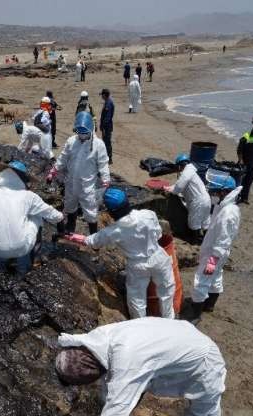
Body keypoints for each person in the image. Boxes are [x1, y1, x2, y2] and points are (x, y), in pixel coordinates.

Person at [51, 317, 227, 416]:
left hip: (202, 357)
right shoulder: (94, 342)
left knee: (205, 411)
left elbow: (115, 413)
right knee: (127, 393)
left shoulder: (126, 360)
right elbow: (111, 390)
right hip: (172, 338)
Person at [65, 189, 176, 319]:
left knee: (137, 300)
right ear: (127, 202)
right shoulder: (148, 214)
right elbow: (158, 234)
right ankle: (170, 321)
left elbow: (91, 241)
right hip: (158, 257)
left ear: (111, 212)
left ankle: (141, 327)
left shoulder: (113, 231)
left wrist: (69, 236)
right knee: (167, 291)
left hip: (137, 266)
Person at [0, 161, 63, 273]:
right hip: (22, 248)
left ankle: (10, 259)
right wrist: (60, 217)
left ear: (3, 176)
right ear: (22, 179)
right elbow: (51, 213)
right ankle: (36, 259)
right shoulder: (29, 196)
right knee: (36, 215)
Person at [46, 111, 111, 235]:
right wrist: (53, 172)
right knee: (70, 205)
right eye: (79, 132)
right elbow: (63, 158)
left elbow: (103, 164)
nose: (82, 135)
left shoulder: (98, 145)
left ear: (91, 130)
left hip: (87, 186)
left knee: (90, 211)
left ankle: (93, 235)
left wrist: (106, 180)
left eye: (84, 133)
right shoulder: (71, 141)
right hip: (71, 182)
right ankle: (71, 226)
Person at [189, 173, 242, 323]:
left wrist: (212, 260)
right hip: (219, 254)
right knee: (216, 277)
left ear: (224, 192)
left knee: (201, 281)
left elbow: (223, 239)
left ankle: (195, 316)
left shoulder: (227, 213)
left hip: (214, 255)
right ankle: (209, 306)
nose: (212, 195)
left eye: (214, 192)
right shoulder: (228, 207)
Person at [149, 154, 210, 243]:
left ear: (180, 165)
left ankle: (195, 240)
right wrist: (168, 188)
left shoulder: (186, 172)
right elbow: (180, 186)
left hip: (198, 201)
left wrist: (170, 190)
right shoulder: (191, 171)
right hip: (206, 199)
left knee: (194, 221)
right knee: (205, 220)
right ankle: (206, 239)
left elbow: (178, 188)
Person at [98, 89, 114, 164]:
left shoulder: (108, 103)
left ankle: (109, 158)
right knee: (105, 142)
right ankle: (107, 157)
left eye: (102, 95)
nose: (101, 96)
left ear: (104, 95)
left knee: (107, 142)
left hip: (107, 127)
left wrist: (103, 127)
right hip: (106, 126)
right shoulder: (107, 102)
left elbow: (107, 117)